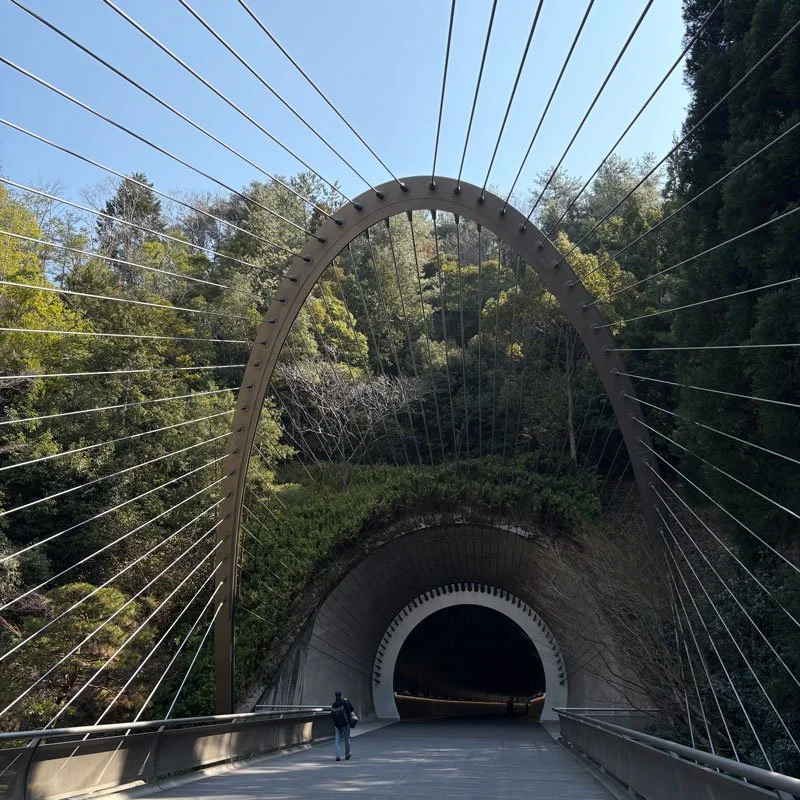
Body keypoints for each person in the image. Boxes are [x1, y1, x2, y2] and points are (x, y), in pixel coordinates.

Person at [330, 689, 354, 761]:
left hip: (338, 725)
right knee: (347, 738)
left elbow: (332, 714)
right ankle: (347, 754)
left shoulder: (334, 704)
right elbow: (352, 709)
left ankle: (337, 756)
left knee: (337, 739)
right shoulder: (345, 702)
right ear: (341, 695)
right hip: (346, 723)